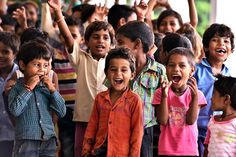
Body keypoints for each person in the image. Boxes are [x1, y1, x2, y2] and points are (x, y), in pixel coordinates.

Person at [48, 1, 115, 156]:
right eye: (96, 37)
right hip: (84, 119)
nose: (101, 41)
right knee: (82, 153)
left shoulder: (114, 62)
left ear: (111, 44)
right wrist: (58, 13)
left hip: (109, 120)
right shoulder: (80, 58)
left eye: (106, 38)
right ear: (86, 41)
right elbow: (67, 37)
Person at [8, 39, 66, 157]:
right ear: (23, 65)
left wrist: (52, 90)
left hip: (48, 140)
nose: (42, 70)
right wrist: (28, 88)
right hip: (26, 140)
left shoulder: (46, 88)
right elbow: (15, 110)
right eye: (36, 65)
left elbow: (62, 111)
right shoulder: (16, 88)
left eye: (45, 65)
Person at [116, 20, 166, 157]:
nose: (116, 47)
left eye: (120, 42)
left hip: (146, 130)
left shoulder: (159, 70)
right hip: (120, 127)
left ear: (137, 44)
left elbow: (164, 102)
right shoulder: (117, 68)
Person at [82, 48, 143, 156]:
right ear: (106, 73)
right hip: (98, 152)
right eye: (113, 69)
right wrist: (86, 151)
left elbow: (137, 134)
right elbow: (92, 127)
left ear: (132, 75)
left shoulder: (134, 100)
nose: (118, 74)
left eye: (124, 70)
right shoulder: (100, 98)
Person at [152, 47, 207, 156]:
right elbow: (162, 121)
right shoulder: (160, 93)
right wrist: (164, 96)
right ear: (166, 69)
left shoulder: (197, 95)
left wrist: (195, 97)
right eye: (171, 65)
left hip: (189, 151)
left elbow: (191, 121)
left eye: (182, 65)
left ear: (192, 70)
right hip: (166, 151)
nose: (176, 69)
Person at [193, 23, 235, 157]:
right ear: (205, 46)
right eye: (215, 40)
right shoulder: (196, 71)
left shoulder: (230, 77)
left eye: (226, 41)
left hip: (220, 132)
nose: (221, 44)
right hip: (196, 131)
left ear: (231, 50)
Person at [203, 75, 236, 157]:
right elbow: (207, 146)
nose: (211, 98)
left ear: (226, 99)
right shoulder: (212, 121)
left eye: (214, 94)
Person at [0, 31, 20, 157]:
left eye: (5, 52)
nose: (0, 55)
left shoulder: (22, 76)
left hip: (18, 137)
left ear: (15, 54)